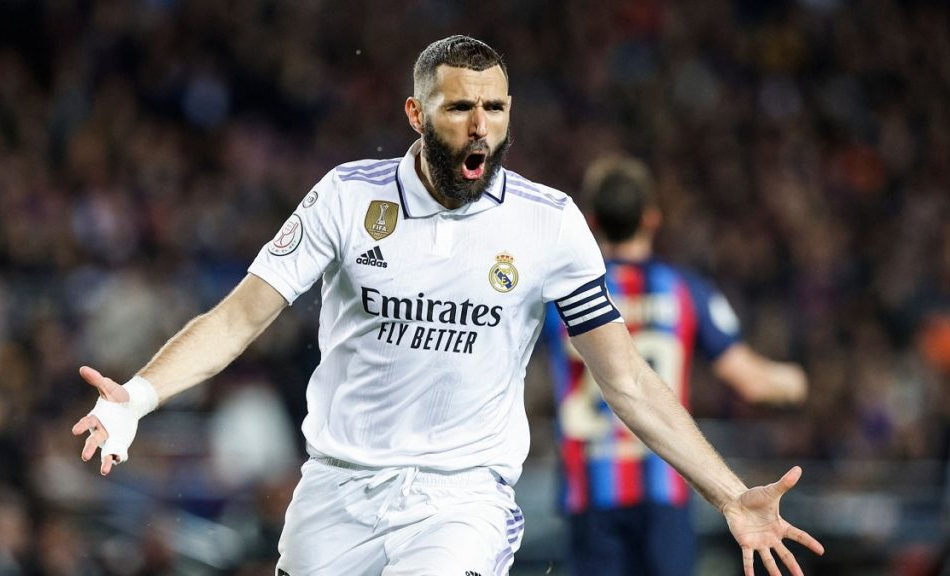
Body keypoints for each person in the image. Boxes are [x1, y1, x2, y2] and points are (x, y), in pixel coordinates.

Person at [72, 35, 823, 576]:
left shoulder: (549, 223)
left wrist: (730, 495)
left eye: (494, 107)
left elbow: (625, 381)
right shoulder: (346, 197)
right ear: (415, 112)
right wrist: (138, 397)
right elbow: (240, 317)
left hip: (461, 498)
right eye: (460, 106)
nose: (480, 125)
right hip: (334, 488)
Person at [543, 155, 809, 576]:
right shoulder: (683, 289)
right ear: (651, 218)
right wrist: (796, 381)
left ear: (591, 221)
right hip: (667, 484)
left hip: (589, 490)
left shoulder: (562, 293)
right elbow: (752, 382)